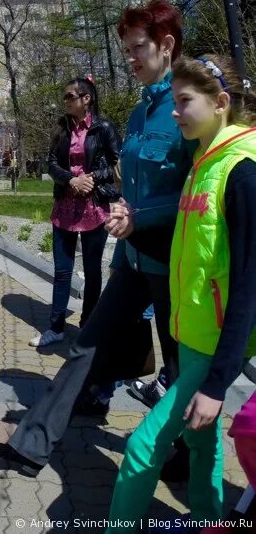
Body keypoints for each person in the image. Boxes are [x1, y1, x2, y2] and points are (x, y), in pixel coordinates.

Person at [0, 0, 195, 477]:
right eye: (126, 50)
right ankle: (31, 445)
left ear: (166, 45)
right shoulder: (142, 112)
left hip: (174, 261)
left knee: (180, 364)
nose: (131, 58)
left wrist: (141, 213)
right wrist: (121, 202)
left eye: (137, 48)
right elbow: (130, 177)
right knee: (86, 345)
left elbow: (197, 189)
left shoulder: (186, 106)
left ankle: (185, 455)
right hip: (133, 258)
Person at [105, 54, 256, 532]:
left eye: (184, 101)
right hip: (189, 334)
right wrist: (134, 231)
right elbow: (189, 249)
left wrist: (216, 384)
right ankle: (210, 518)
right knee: (200, 441)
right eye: (172, 102)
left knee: (141, 448)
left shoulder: (243, 172)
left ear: (221, 103)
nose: (175, 113)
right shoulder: (201, 162)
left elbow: (251, 285)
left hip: (212, 346)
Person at [30, 75, 121, 348]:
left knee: (93, 271)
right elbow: (52, 163)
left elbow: (119, 162)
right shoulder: (61, 129)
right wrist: (71, 179)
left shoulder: (103, 128)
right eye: (65, 96)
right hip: (65, 207)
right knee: (62, 270)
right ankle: (55, 327)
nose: (65, 101)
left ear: (86, 98)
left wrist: (93, 177)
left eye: (70, 96)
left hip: (94, 207)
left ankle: (87, 326)